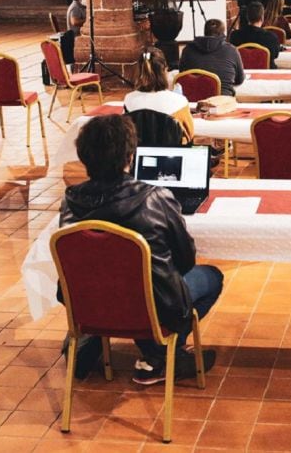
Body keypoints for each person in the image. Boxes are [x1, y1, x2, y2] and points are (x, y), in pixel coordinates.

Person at [61, 114, 222, 384]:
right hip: (151, 305)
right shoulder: (155, 197)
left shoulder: (69, 202)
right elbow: (185, 260)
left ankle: (148, 353)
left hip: (90, 305)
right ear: (130, 156)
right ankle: (164, 353)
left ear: (83, 156)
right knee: (212, 277)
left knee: (131, 284)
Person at [124, 47, 194, 141]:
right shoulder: (179, 102)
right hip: (171, 153)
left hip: (138, 153)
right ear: (165, 71)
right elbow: (190, 135)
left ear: (138, 72)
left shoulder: (128, 100)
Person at [177, 19, 245, 96]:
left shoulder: (188, 50)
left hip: (193, 100)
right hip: (222, 101)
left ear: (205, 32)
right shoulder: (232, 50)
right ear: (223, 34)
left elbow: (182, 76)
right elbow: (239, 80)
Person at [229, 1, 281, 68]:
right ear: (262, 18)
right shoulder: (271, 37)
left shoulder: (235, 35)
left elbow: (232, 56)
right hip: (266, 71)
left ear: (247, 17)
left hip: (242, 72)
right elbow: (275, 55)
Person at [60, 0, 87, 66]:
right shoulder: (75, 7)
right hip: (76, 35)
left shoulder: (80, 6)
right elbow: (74, 22)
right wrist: (87, 20)